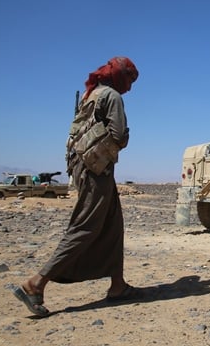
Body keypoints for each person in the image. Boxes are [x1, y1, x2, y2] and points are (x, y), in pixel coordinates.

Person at [10, 56, 140, 316]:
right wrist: (125, 135)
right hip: (96, 170)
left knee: (114, 224)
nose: (130, 86)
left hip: (87, 167)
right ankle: (35, 283)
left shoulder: (91, 95)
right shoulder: (112, 96)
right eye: (130, 79)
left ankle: (117, 285)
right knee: (85, 227)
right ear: (120, 75)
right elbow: (118, 135)